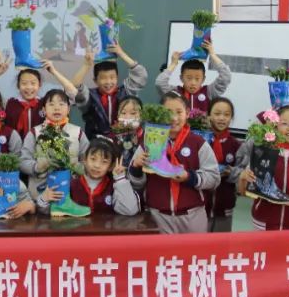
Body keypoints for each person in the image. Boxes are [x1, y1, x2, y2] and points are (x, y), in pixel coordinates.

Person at [128, 95, 218, 234]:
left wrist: (190, 177)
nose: (174, 118)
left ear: (187, 113)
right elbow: (136, 184)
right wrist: (136, 168)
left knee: (195, 249)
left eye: (179, 112)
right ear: (160, 114)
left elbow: (214, 179)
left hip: (192, 216)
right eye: (168, 112)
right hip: (157, 216)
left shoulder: (198, 143)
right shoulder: (148, 142)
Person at [236, 105, 289, 230]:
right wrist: (243, 178)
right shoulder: (264, 152)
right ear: (276, 126)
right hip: (263, 224)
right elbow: (244, 192)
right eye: (284, 123)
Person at [44, 136, 139, 215]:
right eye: (93, 159)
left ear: (111, 166)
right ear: (84, 159)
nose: (97, 165)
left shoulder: (114, 186)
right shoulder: (71, 183)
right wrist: (44, 199)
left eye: (104, 162)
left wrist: (120, 179)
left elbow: (130, 210)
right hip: (76, 230)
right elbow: (54, 210)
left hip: (106, 231)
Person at [20, 89, 88, 199]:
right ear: (44, 109)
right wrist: (37, 167)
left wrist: (75, 166)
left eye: (61, 104)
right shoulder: (34, 133)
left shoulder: (78, 133)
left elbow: (88, 162)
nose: (57, 108)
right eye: (51, 104)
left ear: (68, 109)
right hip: (40, 194)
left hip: (72, 194)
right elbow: (23, 162)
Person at [72, 43, 147, 140]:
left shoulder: (126, 92)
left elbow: (140, 75)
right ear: (95, 80)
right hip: (97, 142)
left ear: (117, 78)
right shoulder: (89, 96)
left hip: (124, 142)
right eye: (103, 78)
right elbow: (74, 87)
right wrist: (86, 65)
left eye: (112, 77)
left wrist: (121, 53)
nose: (108, 82)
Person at [155, 41, 232, 115]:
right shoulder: (175, 92)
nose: (193, 83)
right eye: (189, 78)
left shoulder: (209, 92)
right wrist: (173, 64)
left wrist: (213, 55)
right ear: (181, 78)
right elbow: (160, 83)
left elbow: (226, 76)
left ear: (203, 79)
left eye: (197, 79)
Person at [204, 97, 240, 232]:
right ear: (209, 115)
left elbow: (241, 172)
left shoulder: (235, 145)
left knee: (221, 242)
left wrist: (231, 173)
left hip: (225, 204)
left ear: (231, 118)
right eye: (217, 113)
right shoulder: (200, 140)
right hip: (201, 205)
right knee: (199, 242)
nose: (221, 118)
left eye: (226, 114)